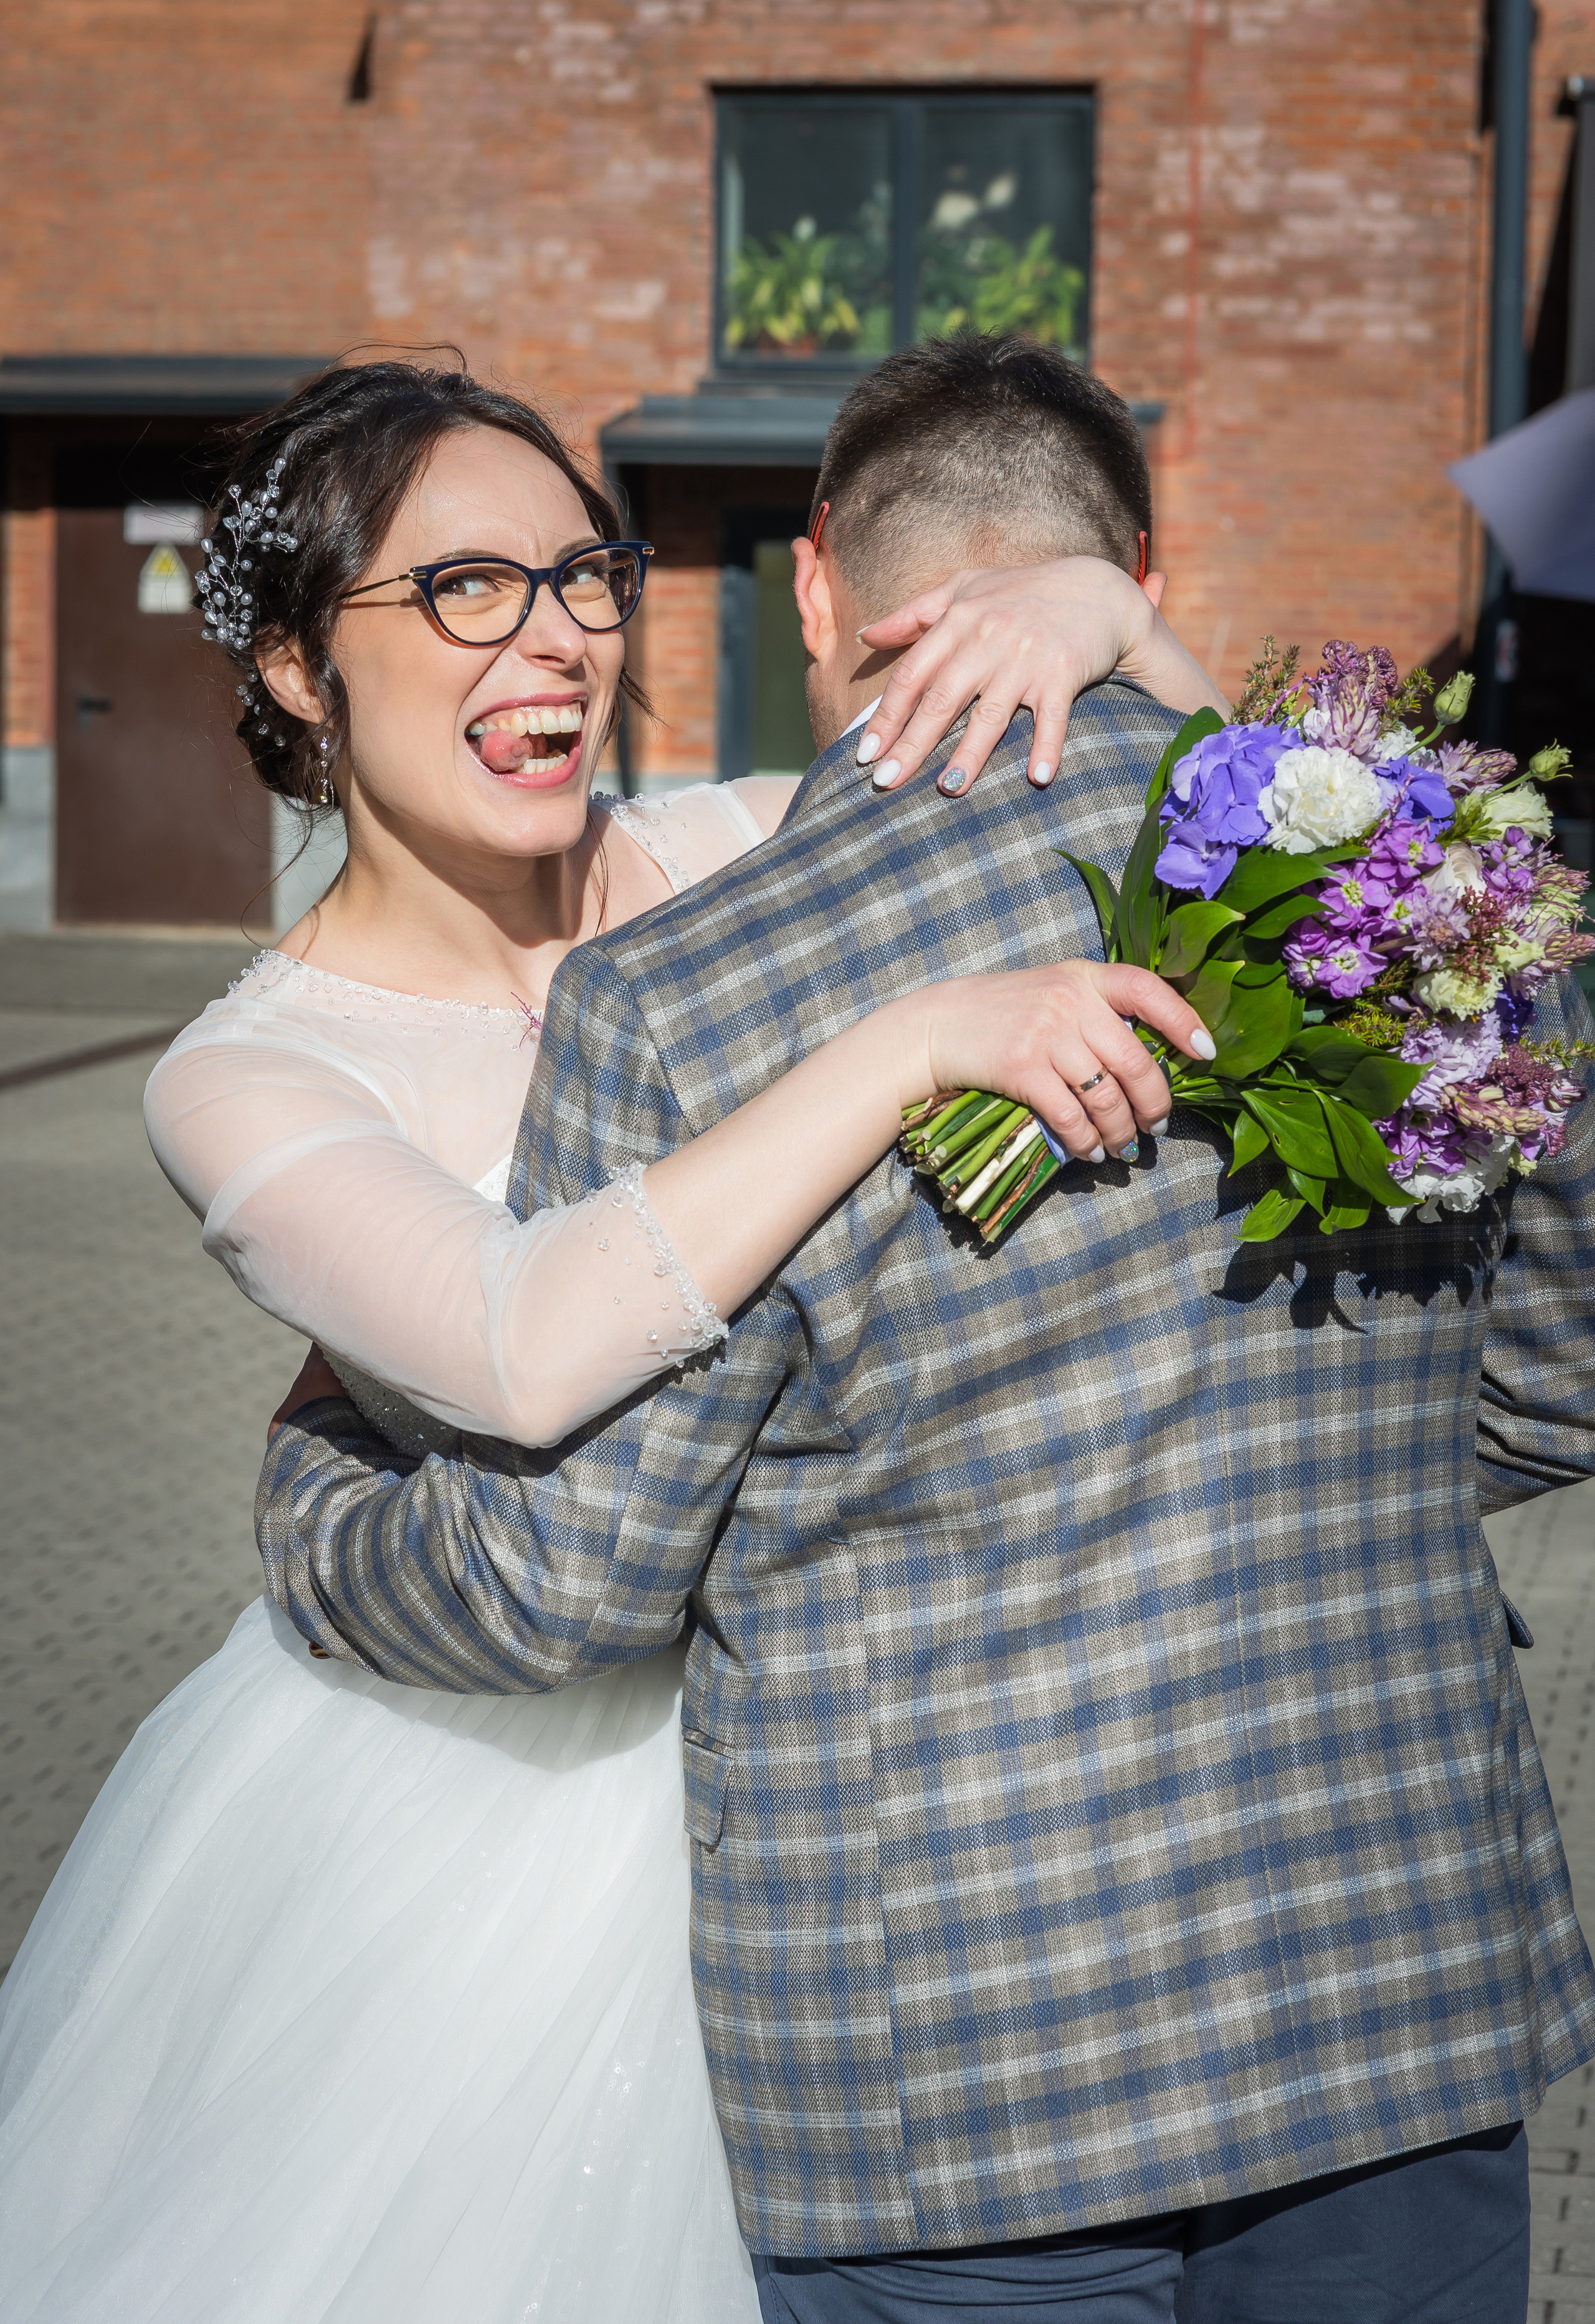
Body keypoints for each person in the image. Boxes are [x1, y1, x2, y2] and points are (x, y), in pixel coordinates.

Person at [257, 333, 1595, 2324]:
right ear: (1130, 578)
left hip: (958, 2075)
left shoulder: (681, 998)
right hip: (1402, 1994)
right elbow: (1559, 1386)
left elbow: (566, 1587)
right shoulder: (1434, 888)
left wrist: (320, 1508)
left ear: (817, 585)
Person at [0, 356, 1224, 2322]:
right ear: (301, 667)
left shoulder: (749, 840)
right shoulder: (248, 1075)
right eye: (463, 588)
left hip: (871, 1755)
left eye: (582, 575)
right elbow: (521, 1341)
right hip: (484, 1814)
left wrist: (1113, 615)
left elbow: (1252, 859)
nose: (557, 636)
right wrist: (907, 1043)